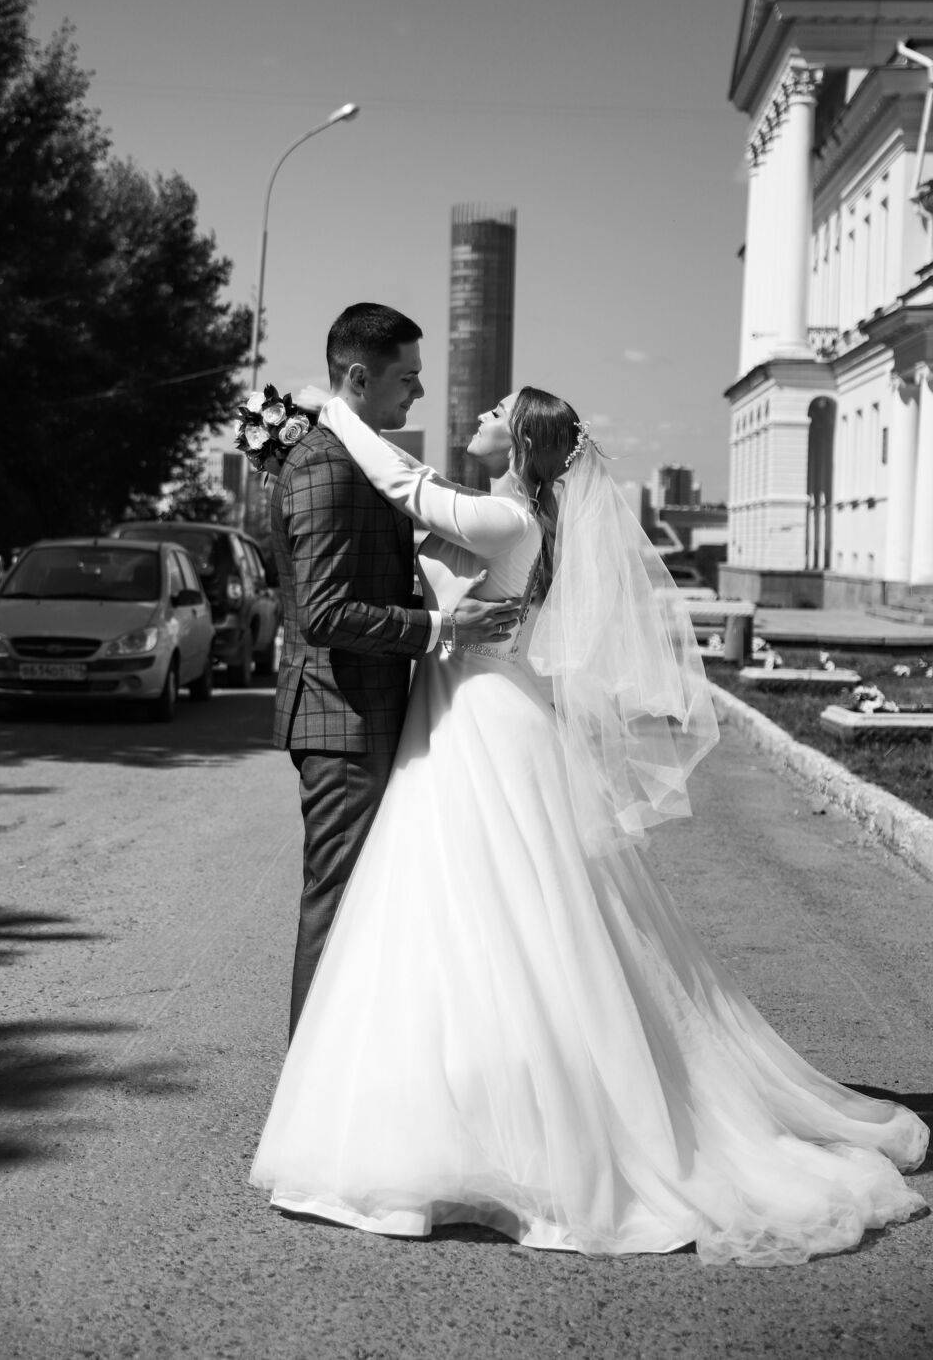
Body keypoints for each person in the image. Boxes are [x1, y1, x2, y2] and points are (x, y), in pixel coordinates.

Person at [252, 386, 928, 1266]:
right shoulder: (506, 511)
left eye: (497, 412)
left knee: (505, 916)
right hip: (462, 708)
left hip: (485, 717)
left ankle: (530, 1120)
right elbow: (415, 494)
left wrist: (331, 409)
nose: (480, 415)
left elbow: (409, 487)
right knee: (457, 916)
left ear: (519, 442)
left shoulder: (507, 519)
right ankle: (454, 1103)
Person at [270, 303, 519, 1040]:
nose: (419, 391)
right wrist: (443, 626)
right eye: (407, 378)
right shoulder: (326, 465)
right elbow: (323, 613)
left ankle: (352, 1061)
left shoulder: (356, 455)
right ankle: (309, 1076)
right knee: (339, 899)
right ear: (358, 377)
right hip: (342, 717)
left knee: (368, 903)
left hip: (366, 710)